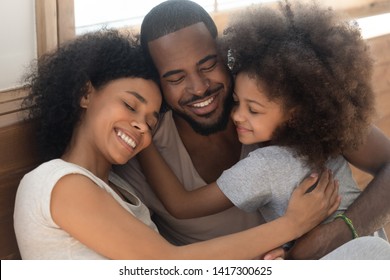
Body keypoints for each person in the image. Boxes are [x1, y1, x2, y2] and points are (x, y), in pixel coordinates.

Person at [13, 28, 341, 260]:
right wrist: (292, 225)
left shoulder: (119, 190)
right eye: (130, 105)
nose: (142, 124)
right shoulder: (59, 181)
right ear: (86, 94)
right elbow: (167, 262)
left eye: (153, 118)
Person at [114, 0, 390, 259]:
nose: (198, 88)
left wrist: (340, 232)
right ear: (158, 83)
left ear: (226, 54)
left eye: (208, 65)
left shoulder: (280, 91)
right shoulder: (138, 149)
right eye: (175, 78)